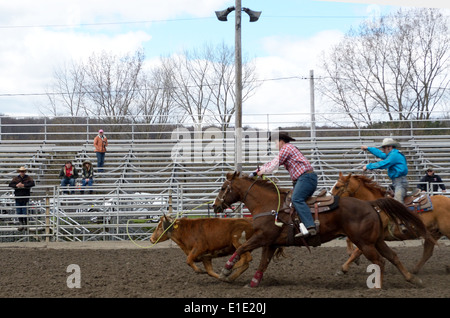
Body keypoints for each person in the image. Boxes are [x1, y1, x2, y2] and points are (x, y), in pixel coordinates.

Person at [251, 131, 318, 237]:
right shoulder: (288, 148)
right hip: (304, 179)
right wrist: (257, 170)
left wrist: (261, 171)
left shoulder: (287, 148)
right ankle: (301, 227)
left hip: (305, 178)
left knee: (296, 199)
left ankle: (310, 226)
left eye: (276, 142)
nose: (275, 145)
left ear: (281, 141)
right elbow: (272, 162)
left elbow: (275, 164)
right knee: (292, 201)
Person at [361, 138, 408, 203]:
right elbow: (380, 154)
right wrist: (368, 148)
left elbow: (385, 163)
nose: (383, 150)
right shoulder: (392, 154)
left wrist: (368, 166)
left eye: (384, 148)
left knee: (398, 203)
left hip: (400, 183)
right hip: (397, 182)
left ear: (390, 147)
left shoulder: (394, 155)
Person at [8, 166, 35, 231]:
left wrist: (23, 185)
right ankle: (22, 224)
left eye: (23, 171)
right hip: (18, 196)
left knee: (24, 211)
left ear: (24, 172)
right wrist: (17, 185)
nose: (22, 173)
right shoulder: (16, 178)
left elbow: (32, 183)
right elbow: (10, 184)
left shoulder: (28, 178)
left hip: (25, 197)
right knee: (19, 211)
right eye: (21, 171)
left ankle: (25, 225)